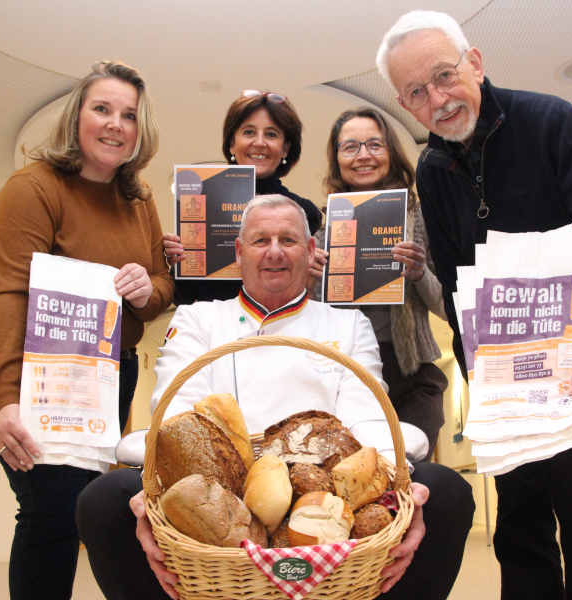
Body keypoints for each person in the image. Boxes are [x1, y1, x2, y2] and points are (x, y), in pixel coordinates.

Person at [377, 10, 572, 600]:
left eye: (445, 75)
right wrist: (479, 376)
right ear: (406, 105)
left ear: (475, 63)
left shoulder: (550, 121)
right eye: (418, 92)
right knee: (519, 522)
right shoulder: (432, 169)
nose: (439, 99)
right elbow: (455, 289)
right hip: (504, 381)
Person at [76, 195, 474, 600]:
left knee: (446, 491)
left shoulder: (348, 323)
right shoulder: (197, 318)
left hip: (323, 487)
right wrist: (156, 498)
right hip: (223, 489)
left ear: (311, 250)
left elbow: (366, 417)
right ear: (238, 252)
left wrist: (401, 487)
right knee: (104, 501)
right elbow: (177, 419)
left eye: (288, 239)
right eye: (260, 240)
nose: (275, 252)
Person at [0, 61, 174, 600]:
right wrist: (5, 400)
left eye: (129, 115)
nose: (115, 124)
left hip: (101, 376)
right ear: (76, 116)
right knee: (52, 506)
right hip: (23, 367)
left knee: (81, 506)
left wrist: (148, 290)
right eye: (102, 109)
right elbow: (8, 293)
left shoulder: (139, 198)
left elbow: (160, 287)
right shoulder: (33, 187)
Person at [318, 107, 449, 461]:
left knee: (410, 474)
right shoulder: (319, 228)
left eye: (375, 144)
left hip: (409, 374)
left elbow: (449, 309)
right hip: (342, 378)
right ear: (337, 159)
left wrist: (420, 273)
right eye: (350, 147)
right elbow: (305, 313)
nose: (363, 155)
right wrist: (311, 277)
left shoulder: (423, 217)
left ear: (391, 151)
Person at [163, 91, 325, 305]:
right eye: (249, 132)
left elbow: (303, 298)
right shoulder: (203, 203)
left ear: (285, 148)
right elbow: (182, 297)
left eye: (271, 134)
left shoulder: (303, 212)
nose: (259, 142)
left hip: (275, 332)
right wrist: (178, 264)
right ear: (232, 144)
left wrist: (312, 274)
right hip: (215, 333)